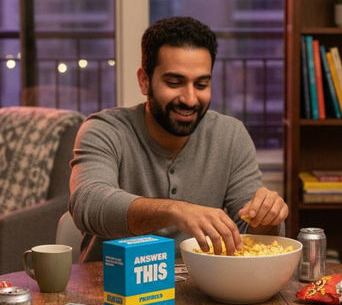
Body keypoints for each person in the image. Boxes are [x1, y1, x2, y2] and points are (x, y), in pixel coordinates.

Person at [69, 16, 288, 261]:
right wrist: (175, 211)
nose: (190, 99)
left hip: (204, 292)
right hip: (110, 291)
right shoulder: (104, 130)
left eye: (202, 84)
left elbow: (252, 235)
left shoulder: (230, 135)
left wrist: (268, 217)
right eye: (175, 82)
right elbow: (87, 204)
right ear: (144, 81)